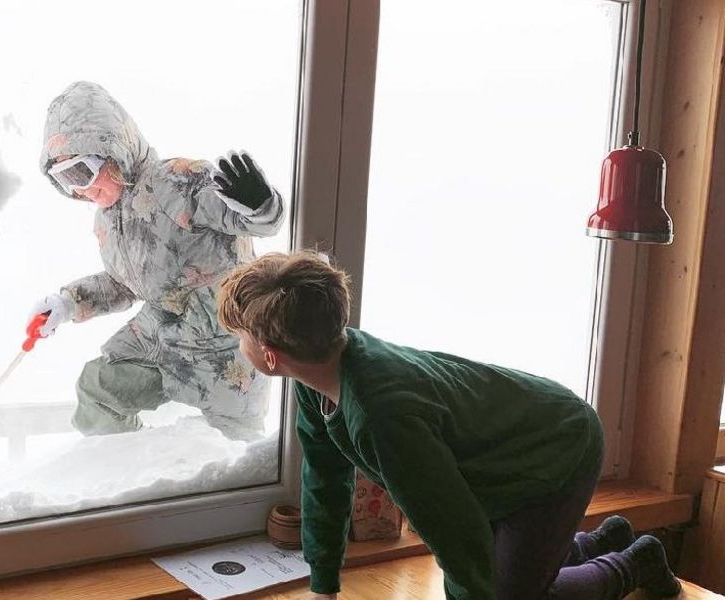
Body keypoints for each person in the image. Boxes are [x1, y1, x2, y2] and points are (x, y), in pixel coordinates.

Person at [216, 250, 682, 600]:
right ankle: (605, 538)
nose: (240, 345)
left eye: (241, 337)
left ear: (271, 357)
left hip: (556, 448)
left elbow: (458, 538)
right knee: (503, 575)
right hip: (506, 450)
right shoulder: (319, 369)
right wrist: (324, 584)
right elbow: (324, 477)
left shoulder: (382, 418)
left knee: (508, 597)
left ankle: (634, 561)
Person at [30, 81, 285, 442]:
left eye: (80, 173)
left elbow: (254, 221)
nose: (78, 190)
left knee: (231, 458)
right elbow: (124, 284)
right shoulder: (107, 219)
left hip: (224, 347)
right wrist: (68, 303)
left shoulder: (179, 182)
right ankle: (132, 467)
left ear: (112, 151)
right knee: (97, 393)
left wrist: (260, 204)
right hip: (160, 340)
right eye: (63, 180)